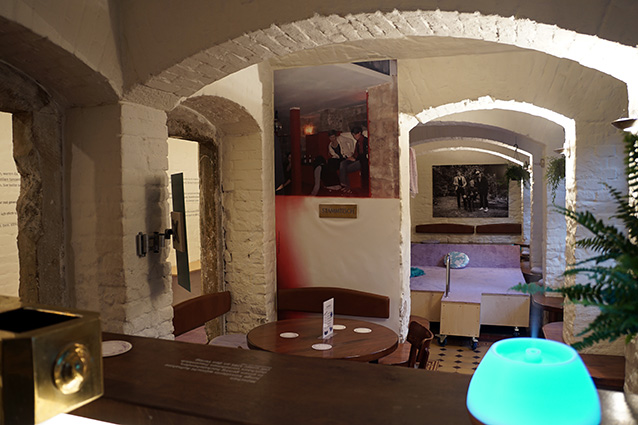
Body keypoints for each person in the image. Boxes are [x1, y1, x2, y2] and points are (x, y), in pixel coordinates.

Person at [339, 126, 369, 192]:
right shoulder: (358, 142)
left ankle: (346, 187)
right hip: (356, 159)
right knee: (343, 163)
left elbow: (364, 155)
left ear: (359, 133)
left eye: (355, 134)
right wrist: (351, 157)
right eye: (353, 135)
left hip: (361, 161)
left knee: (345, 168)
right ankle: (344, 184)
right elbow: (356, 154)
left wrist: (355, 159)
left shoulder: (365, 141)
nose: (354, 136)